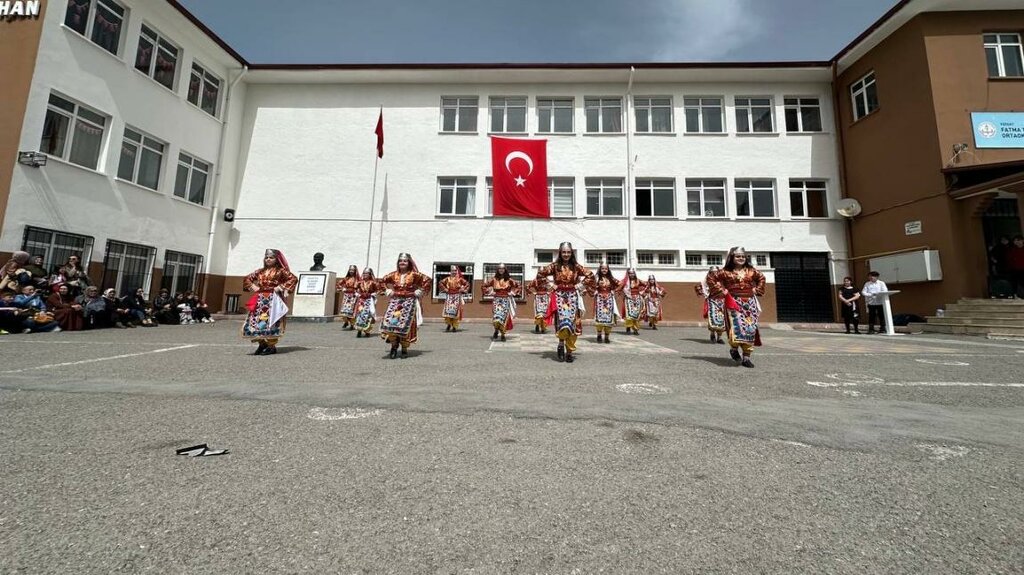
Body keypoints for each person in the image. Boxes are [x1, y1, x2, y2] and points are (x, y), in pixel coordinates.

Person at [535, 242, 595, 363]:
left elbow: (591, 275)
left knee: (573, 324)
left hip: (573, 296)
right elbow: (540, 274)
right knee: (562, 323)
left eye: (568, 252)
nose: (566, 254)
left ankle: (570, 352)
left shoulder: (576, 266)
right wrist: (550, 284)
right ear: (560, 252)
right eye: (564, 252)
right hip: (559, 297)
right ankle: (561, 345)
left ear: (571, 252)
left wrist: (581, 284)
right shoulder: (555, 266)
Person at [706, 247, 766, 368]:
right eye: (738, 256)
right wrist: (721, 290)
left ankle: (746, 357)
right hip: (733, 302)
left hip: (750, 304)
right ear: (732, 258)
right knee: (736, 327)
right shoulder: (725, 272)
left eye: (743, 256)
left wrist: (757, 289)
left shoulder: (751, 271)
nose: (741, 258)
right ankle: (734, 349)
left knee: (750, 328)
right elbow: (711, 278)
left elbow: (762, 278)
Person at [242, 249, 298, 356]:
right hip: (261, 300)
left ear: (276, 260)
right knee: (258, 322)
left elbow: (293, 278)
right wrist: (252, 285)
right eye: (266, 257)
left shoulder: (280, 271)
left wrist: (280, 287)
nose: (268, 259)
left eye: (271, 257)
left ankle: (271, 346)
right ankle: (262, 343)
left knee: (272, 321)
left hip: (274, 299)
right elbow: (247, 279)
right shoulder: (259, 271)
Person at [379, 253, 432, 358]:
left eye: (405, 261)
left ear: (409, 263)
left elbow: (428, 280)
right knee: (390, 324)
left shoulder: (414, 274)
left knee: (405, 325)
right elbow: (382, 281)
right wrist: (387, 290)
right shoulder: (393, 275)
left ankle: (404, 347)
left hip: (409, 301)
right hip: (395, 301)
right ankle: (394, 347)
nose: (402, 262)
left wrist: (420, 290)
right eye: (400, 261)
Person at [483, 263, 520, 341]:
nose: (501, 270)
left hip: (506, 300)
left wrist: (512, 293)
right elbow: (484, 286)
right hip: (496, 300)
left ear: (505, 270)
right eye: (500, 268)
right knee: (497, 317)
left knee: (504, 317)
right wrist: (489, 292)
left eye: (502, 269)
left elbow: (518, 286)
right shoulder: (494, 279)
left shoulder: (509, 280)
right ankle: (496, 330)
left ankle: (503, 334)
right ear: (498, 270)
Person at [588, 262, 619, 343]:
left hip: (609, 299)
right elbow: (589, 285)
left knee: (609, 318)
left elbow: (620, 284)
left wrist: (613, 290)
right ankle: (599, 334)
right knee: (600, 318)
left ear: (608, 270)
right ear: (600, 269)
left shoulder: (611, 278)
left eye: (606, 268)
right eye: (602, 268)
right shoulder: (597, 278)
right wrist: (594, 291)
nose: (604, 270)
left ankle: (607, 336)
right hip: (600, 299)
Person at [694, 267, 725, 344]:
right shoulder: (706, 281)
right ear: (710, 272)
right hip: (712, 301)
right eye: (712, 272)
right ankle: (712, 334)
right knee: (712, 318)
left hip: (722, 301)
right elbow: (698, 287)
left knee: (722, 319)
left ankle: (720, 337)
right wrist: (704, 293)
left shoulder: (722, 280)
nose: (714, 273)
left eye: (716, 272)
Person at [438, 265, 470, 332]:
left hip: (457, 296)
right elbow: (440, 283)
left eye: (455, 270)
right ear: (450, 271)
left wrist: (463, 289)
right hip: (449, 296)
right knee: (448, 311)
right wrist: (445, 289)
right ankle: (449, 324)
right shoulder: (447, 279)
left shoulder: (460, 279)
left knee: (456, 312)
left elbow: (467, 284)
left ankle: (454, 326)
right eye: (453, 270)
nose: (454, 272)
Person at [352, 268, 381, 338]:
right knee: (360, 315)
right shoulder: (359, 282)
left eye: (366, 273)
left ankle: (367, 331)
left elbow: (379, 290)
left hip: (369, 301)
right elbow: (354, 289)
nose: (365, 275)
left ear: (370, 274)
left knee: (368, 315)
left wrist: (373, 294)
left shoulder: (373, 283)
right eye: (364, 273)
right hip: (361, 300)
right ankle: (359, 330)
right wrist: (358, 294)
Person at [619, 268, 645, 335]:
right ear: (628, 274)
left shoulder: (638, 281)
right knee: (629, 315)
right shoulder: (624, 282)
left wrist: (642, 292)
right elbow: (618, 287)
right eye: (630, 273)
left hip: (637, 299)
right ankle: (628, 327)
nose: (631, 274)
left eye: (633, 273)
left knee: (636, 314)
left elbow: (647, 285)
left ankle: (635, 329)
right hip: (628, 298)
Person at [336, 265, 360, 330]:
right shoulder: (346, 278)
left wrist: (358, 292)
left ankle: (352, 324)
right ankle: (346, 322)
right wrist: (342, 288)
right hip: (346, 296)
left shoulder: (358, 279)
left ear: (355, 271)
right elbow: (338, 284)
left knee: (351, 311)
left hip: (353, 296)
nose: (351, 271)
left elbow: (361, 287)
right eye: (350, 270)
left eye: (353, 270)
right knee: (344, 311)